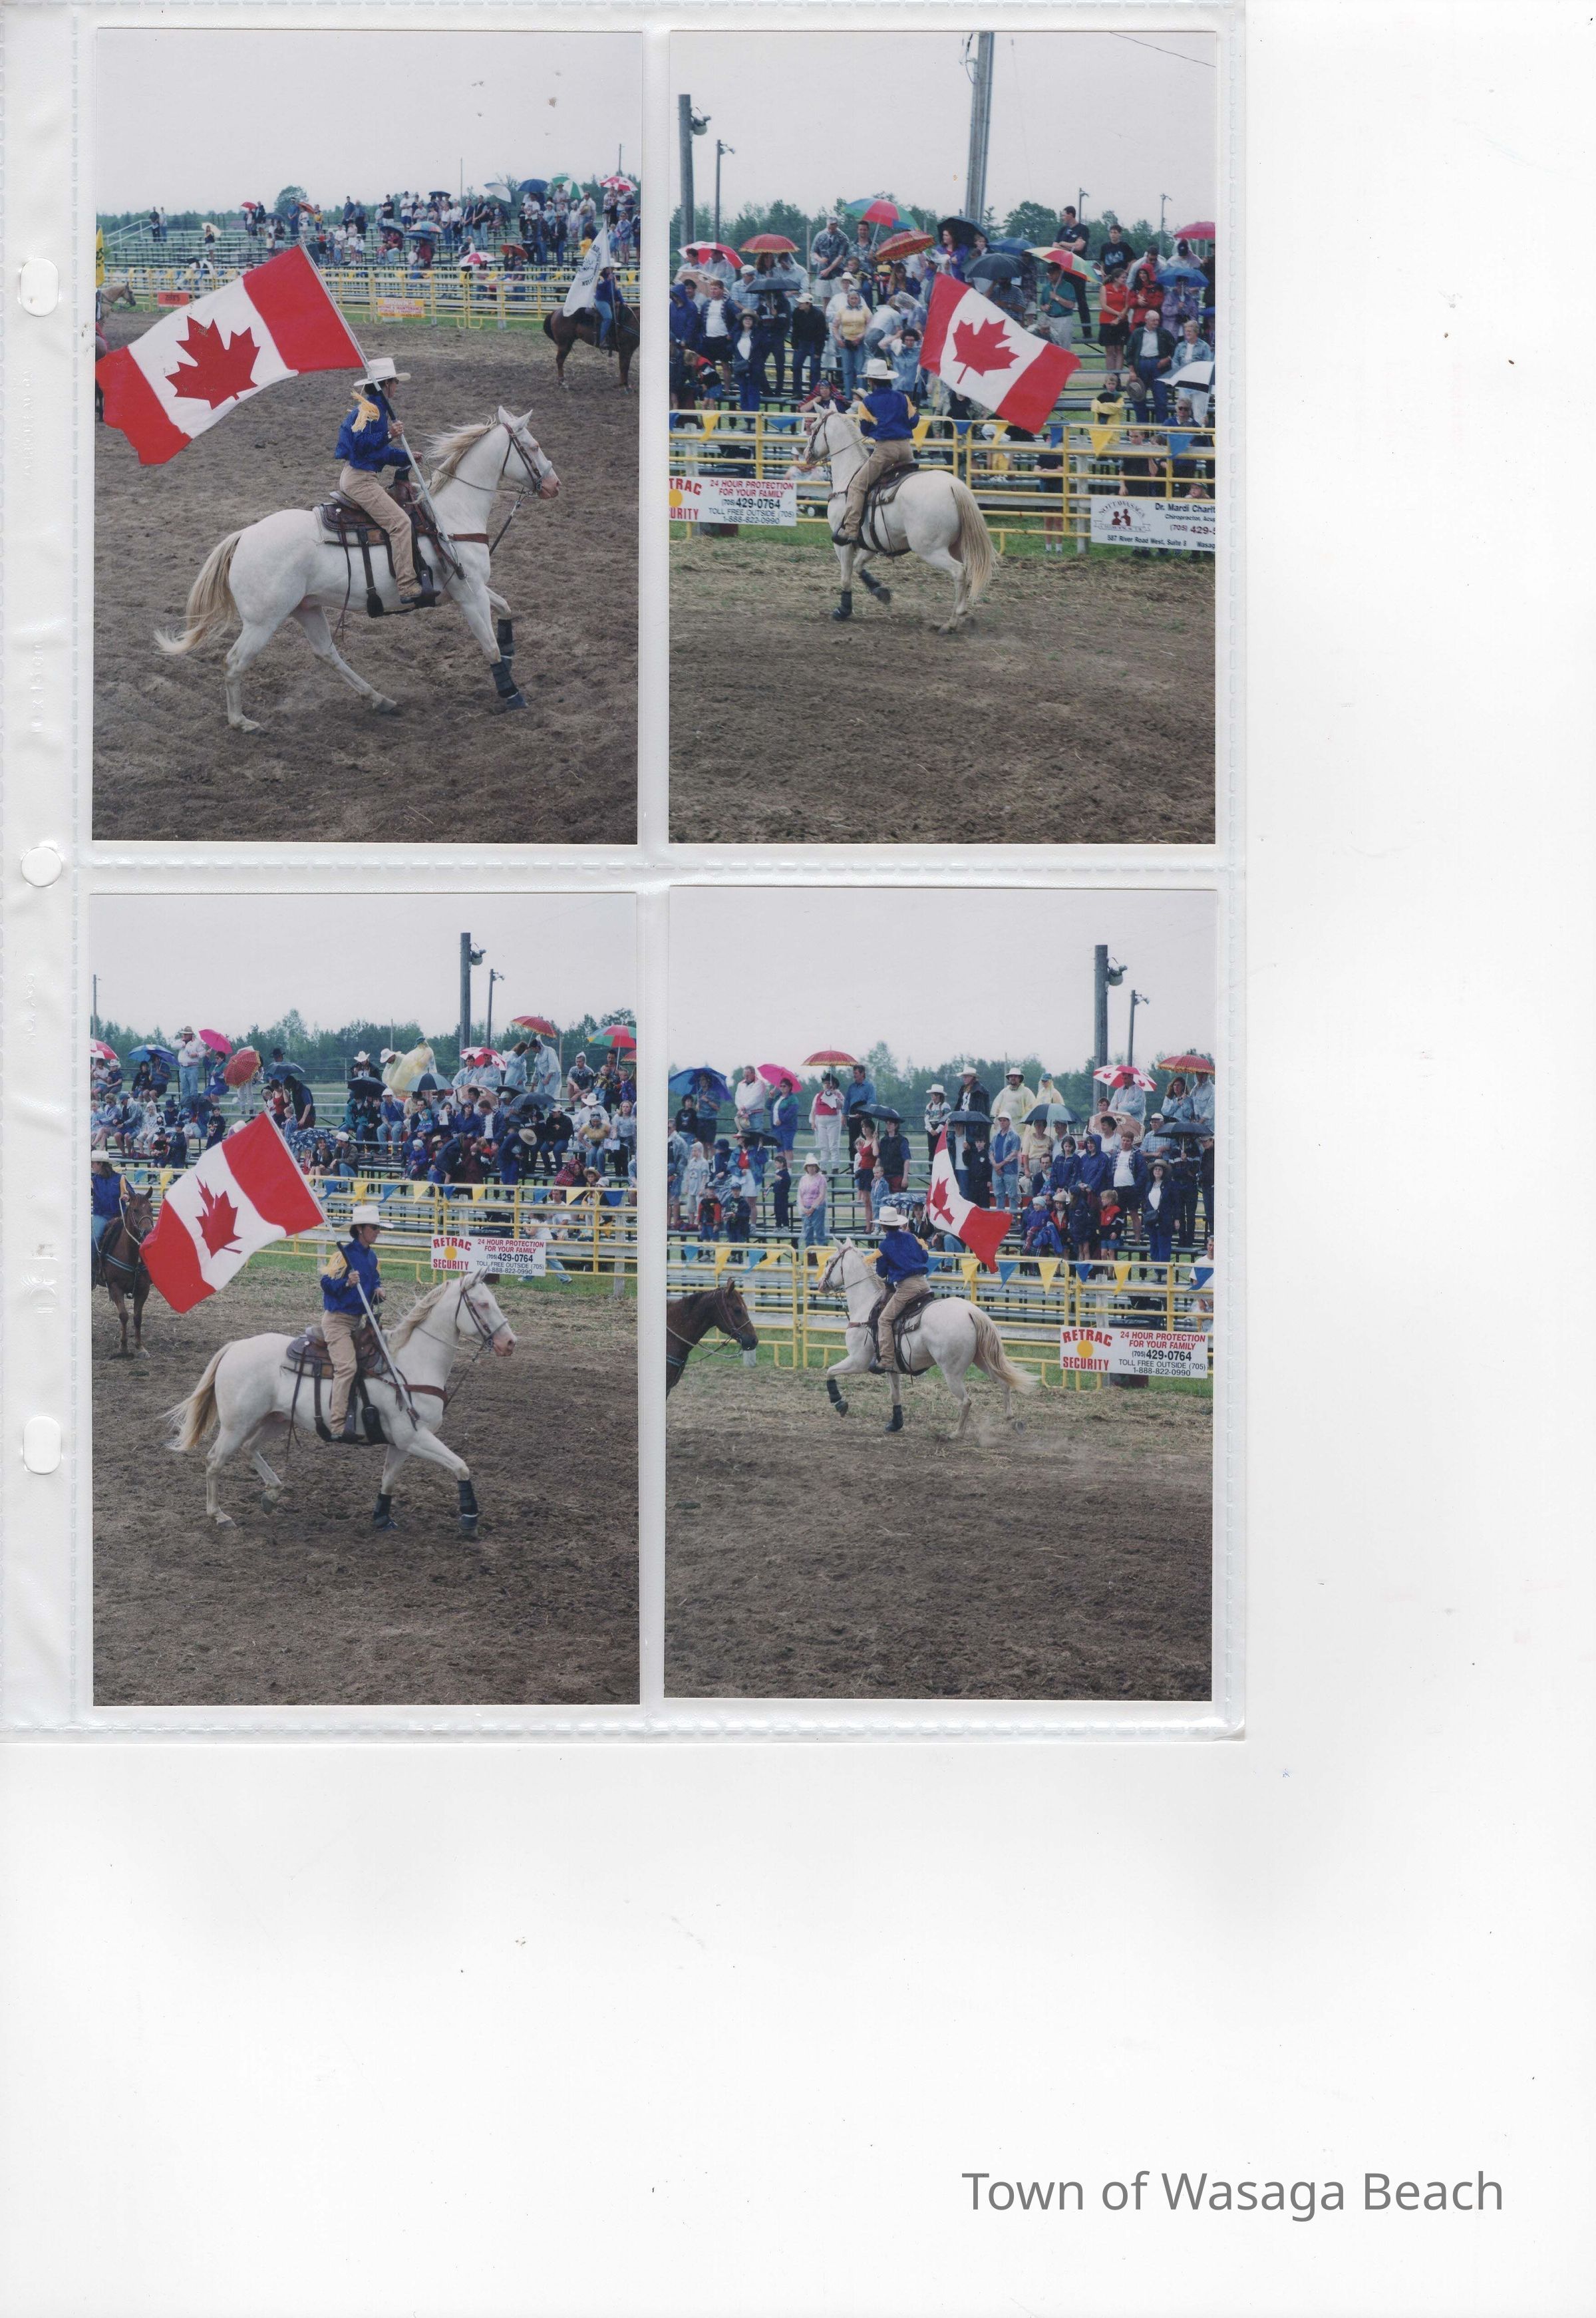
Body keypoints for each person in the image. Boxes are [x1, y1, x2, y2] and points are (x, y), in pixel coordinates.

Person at [335, 357, 434, 607]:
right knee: (401, 523)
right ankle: (407, 585)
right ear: (387, 384)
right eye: (395, 382)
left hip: (355, 475)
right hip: (361, 481)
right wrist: (390, 434)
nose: (397, 387)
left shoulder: (372, 408)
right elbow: (362, 445)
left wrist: (406, 456)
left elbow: (378, 453)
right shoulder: (374, 411)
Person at [318, 1204, 385, 1443]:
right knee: (346, 1368)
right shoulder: (343, 1255)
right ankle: (337, 1425)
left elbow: (375, 1281)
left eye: (377, 1228)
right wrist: (347, 1282)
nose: (377, 1232)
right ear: (360, 1229)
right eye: (374, 1227)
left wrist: (378, 1290)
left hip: (358, 1321)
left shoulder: (372, 1258)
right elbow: (326, 1283)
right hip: (337, 1322)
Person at [836, 357, 915, 545]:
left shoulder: (868, 403)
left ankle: (851, 529)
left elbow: (865, 430)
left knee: (857, 486)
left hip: (885, 451)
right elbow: (914, 421)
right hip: (906, 449)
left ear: (871, 381)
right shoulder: (903, 398)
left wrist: (877, 429)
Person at [872, 1204, 931, 1373]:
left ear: (883, 1226)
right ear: (898, 1224)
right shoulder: (911, 1237)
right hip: (924, 1284)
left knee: (884, 1320)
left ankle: (886, 1360)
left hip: (906, 1288)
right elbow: (924, 1257)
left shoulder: (884, 1246)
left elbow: (881, 1273)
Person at [1143, 1159, 1176, 1267]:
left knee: (1164, 1246)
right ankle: (1157, 1271)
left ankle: (1164, 1272)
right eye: (1156, 1169)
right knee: (1153, 1247)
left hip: (1165, 1220)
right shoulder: (1149, 1185)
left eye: (1160, 1169)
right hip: (1151, 1220)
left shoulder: (1170, 1185)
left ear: (1164, 1172)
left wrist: (1176, 1219)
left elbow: (1176, 1203)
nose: (1157, 1171)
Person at [844, 1063, 878, 1164]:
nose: (854, 1075)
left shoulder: (869, 1087)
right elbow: (847, 1101)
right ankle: (853, 1165)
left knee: (867, 1141)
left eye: (856, 1073)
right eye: (854, 1073)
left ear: (862, 1074)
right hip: (853, 1116)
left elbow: (872, 1101)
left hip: (865, 1116)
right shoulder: (851, 1087)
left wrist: (863, 1113)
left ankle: (867, 1164)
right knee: (853, 1143)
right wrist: (844, 1115)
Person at [810, 1072, 844, 1172]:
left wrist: (834, 1096)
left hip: (833, 1121)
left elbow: (841, 1106)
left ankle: (835, 1167)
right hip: (821, 1122)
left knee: (833, 1145)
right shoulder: (818, 1096)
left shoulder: (838, 1094)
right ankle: (823, 1168)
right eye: (825, 1083)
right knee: (824, 1146)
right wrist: (813, 1122)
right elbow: (814, 1110)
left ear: (834, 1084)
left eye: (829, 1083)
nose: (827, 1085)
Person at [797, 1154, 828, 1247]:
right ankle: (810, 1252)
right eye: (809, 1166)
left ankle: (822, 1251)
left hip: (818, 1208)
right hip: (805, 1208)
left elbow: (822, 1195)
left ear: (816, 1167)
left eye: (813, 1166)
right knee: (808, 1232)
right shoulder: (803, 1179)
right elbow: (800, 1195)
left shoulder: (821, 1178)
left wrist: (813, 1208)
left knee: (819, 1231)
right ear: (806, 1167)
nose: (811, 1168)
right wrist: (803, 1208)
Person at [923, 1082, 952, 1170]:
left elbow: (946, 1119)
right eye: (932, 1095)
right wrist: (930, 1129)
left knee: (940, 1149)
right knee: (931, 1150)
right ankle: (932, 1169)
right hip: (931, 1129)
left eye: (934, 1095)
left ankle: (940, 1169)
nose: (932, 1097)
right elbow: (926, 1118)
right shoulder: (929, 1106)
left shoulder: (945, 1106)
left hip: (940, 1128)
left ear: (939, 1096)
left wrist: (938, 1130)